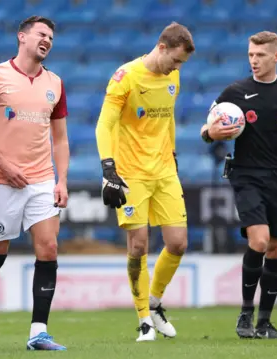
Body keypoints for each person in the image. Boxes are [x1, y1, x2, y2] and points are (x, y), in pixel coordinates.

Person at [199, 31, 277, 340]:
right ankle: (245, 314)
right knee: (260, 241)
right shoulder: (235, 91)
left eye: (260, 55)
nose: (254, 60)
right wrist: (213, 134)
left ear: (276, 56)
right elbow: (205, 128)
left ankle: (265, 322)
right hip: (246, 175)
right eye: (251, 55)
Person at [0, 16, 69, 351]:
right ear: (22, 36)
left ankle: (38, 332)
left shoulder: (55, 82)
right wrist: (3, 165)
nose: (47, 41)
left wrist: (62, 180)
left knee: (49, 247)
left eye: (51, 37)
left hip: (41, 179)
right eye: (42, 34)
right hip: (1, 180)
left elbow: (60, 139)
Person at [95, 22, 195, 342]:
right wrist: (109, 170)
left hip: (164, 170)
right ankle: (143, 321)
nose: (177, 68)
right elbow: (104, 125)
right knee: (138, 246)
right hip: (131, 173)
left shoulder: (172, 77)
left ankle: (153, 303)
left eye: (181, 64)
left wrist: (174, 152)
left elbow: (168, 118)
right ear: (162, 48)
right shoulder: (125, 77)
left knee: (178, 243)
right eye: (175, 61)